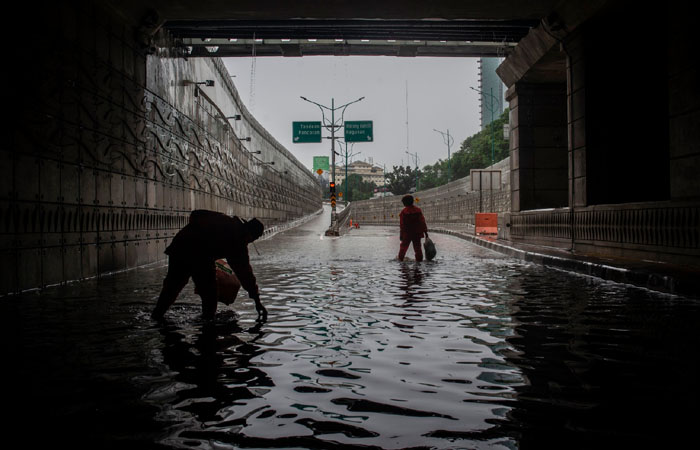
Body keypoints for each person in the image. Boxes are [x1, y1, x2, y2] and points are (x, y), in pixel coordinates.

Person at [151, 209, 268, 321]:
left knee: (172, 287)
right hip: (198, 255)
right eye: (254, 238)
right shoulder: (237, 239)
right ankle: (207, 325)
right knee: (210, 294)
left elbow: (196, 215)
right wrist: (257, 301)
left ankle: (157, 315)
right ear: (249, 233)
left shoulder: (228, 223)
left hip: (180, 247)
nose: (251, 241)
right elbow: (245, 273)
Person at [397, 195, 429, 262]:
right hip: (417, 233)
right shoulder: (418, 210)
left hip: (407, 233)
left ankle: (400, 260)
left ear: (405, 203)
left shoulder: (403, 212)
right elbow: (422, 222)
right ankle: (419, 261)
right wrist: (425, 232)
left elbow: (402, 225)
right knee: (417, 248)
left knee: (403, 248)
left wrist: (401, 234)